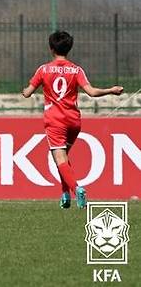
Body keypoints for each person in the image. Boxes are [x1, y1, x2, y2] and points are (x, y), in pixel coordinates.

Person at [22, 31, 123, 209]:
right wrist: (111, 90)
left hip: (55, 120)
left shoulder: (43, 69)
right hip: (73, 121)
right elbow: (91, 92)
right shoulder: (76, 69)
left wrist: (25, 91)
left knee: (59, 157)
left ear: (51, 48)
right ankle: (65, 195)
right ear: (69, 48)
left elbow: (28, 93)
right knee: (62, 158)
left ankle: (77, 190)